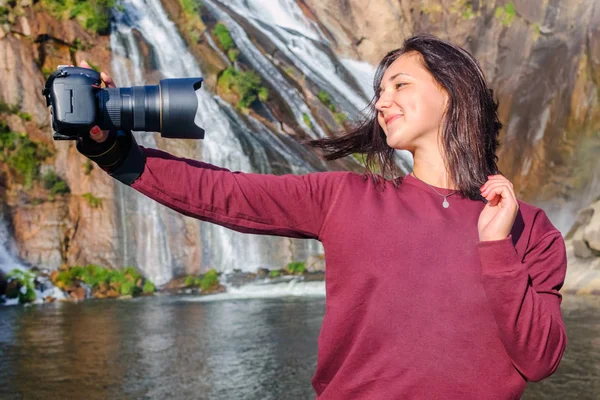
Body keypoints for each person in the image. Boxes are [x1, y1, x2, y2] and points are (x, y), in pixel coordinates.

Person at [74, 34, 567, 399]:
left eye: (400, 84)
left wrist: (496, 249)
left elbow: (539, 358)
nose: (381, 102)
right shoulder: (346, 197)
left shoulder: (531, 230)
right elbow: (225, 193)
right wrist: (116, 152)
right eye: (379, 92)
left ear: (452, 92)